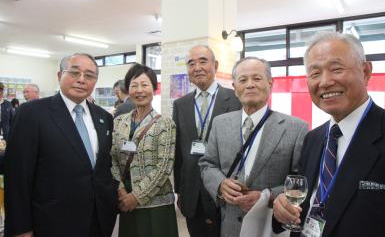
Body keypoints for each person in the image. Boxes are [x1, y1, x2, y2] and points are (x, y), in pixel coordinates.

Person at [272, 32, 385, 237]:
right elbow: (302, 199)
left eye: (336, 69)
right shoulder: (313, 138)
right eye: (315, 73)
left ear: (366, 71)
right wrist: (282, 207)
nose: (324, 82)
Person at [4, 53, 118, 237]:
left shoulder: (103, 117)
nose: (81, 80)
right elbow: (18, 176)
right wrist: (21, 228)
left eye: (89, 76)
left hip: (98, 220)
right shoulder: (32, 113)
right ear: (59, 76)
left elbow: (103, 166)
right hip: (52, 222)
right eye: (74, 73)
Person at [199, 57, 308, 237]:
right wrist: (220, 184)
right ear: (235, 88)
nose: (250, 85)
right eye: (243, 80)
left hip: (269, 225)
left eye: (257, 78)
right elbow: (207, 164)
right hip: (229, 224)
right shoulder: (220, 123)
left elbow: (301, 180)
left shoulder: (295, 128)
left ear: (270, 84)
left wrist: (266, 196)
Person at [173, 45, 241, 237]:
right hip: (191, 192)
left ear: (215, 65)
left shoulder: (234, 100)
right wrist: (180, 190)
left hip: (223, 190)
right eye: (191, 63)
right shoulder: (180, 104)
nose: (197, 67)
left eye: (203, 61)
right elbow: (178, 153)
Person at [111, 64, 178, 237]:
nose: (139, 90)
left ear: (154, 89)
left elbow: (164, 166)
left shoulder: (165, 124)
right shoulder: (119, 122)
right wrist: (121, 191)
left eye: (144, 84)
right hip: (124, 199)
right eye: (134, 85)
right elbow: (112, 159)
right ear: (128, 89)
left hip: (156, 204)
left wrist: (136, 197)